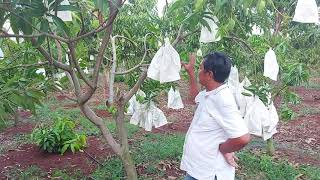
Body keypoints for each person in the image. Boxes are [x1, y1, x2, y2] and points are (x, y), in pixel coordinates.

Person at [180, 52, 251, 180]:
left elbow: (242, 138)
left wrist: (225, 149)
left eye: (200, 69)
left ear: (209, 74)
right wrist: (190, 72)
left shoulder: (222, 99)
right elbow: (193, 99)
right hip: (198, 170)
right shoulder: (211, 92)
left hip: (209, 173)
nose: (198, 71)